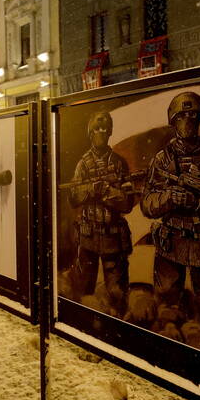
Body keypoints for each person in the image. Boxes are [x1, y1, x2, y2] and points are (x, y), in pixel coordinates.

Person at [141, 92, 200, 343]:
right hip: (171, 244)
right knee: (167, 313)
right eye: (181, 116)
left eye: (193, 116)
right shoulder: (162, 160)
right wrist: (169, 199)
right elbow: (147, 204)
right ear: (173, 120)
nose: (187, 121)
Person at [68, 111, 134, 318]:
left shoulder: (119, 163)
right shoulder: (83, 164)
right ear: (90, 132)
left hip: (113, 237)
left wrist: (107, 192)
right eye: (97, 129)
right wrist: (90, 190)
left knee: (117, 293)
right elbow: (73, 197)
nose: (101, 133)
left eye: (105, 130)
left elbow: (127, 202)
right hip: (88, 237)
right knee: (84, 291)